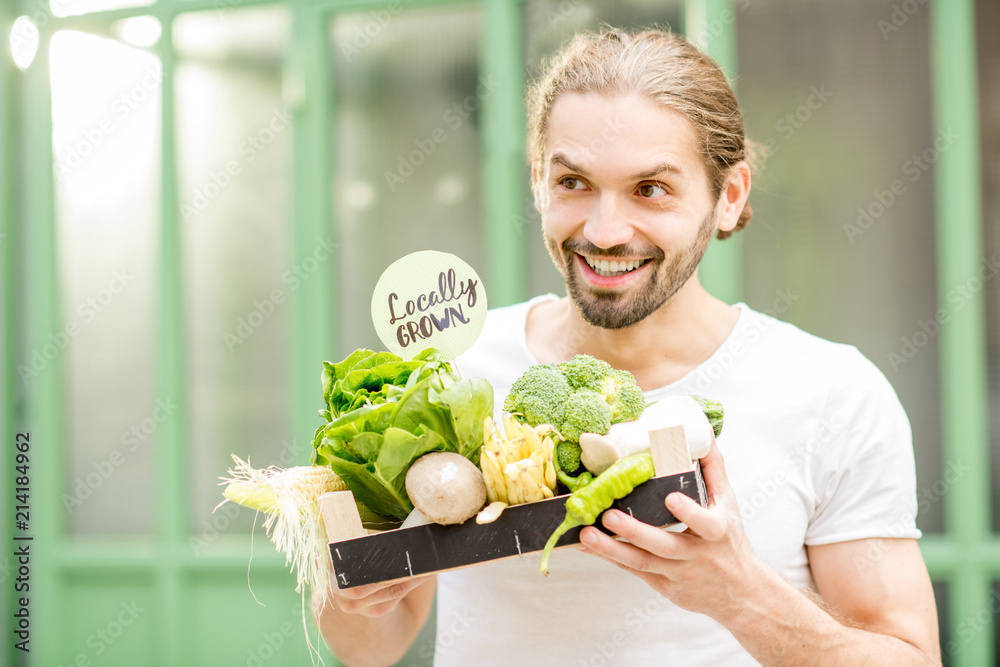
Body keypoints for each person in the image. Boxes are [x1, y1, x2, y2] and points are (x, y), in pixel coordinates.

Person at [313, 28, 941, 666]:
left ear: (729, 197)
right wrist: (352, 594)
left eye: (651, 189)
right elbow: (370, 647)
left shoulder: (831, 392)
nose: (605, 231)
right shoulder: (457, 372)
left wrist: (741, 597)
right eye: (575, 183)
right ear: (538, 183)